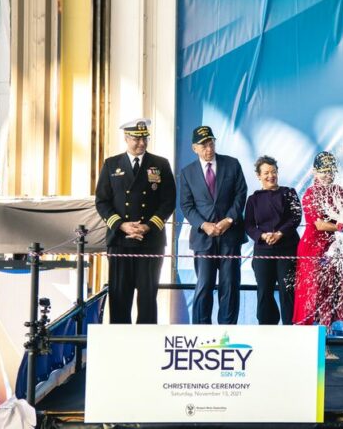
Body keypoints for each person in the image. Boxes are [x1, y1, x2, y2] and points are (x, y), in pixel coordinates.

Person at [95, 118, 176, 324]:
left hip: (150, 241)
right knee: (119, 296)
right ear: (126, 138)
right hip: (120, 241)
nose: (141, 143)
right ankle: (121, 340)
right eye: (137, 139)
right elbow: (102, 201)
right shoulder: (112, 164)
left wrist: (148, 226)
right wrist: (121, 225)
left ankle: (147, 339)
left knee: (148, 297)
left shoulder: (160, 164)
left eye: (145, 138)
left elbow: (168, 201)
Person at [180, 125, 247, 325]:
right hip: (203, 238)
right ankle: (202, 331)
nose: (209, 149)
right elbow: (186, 205)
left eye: (211, 143)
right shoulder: (187, 173)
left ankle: (227, 331)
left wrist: (229, 219)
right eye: (204, 145)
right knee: (204, 285)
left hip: (230, 236)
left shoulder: (232, 164)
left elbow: (241, 194)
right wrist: (204, 225)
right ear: (194, 148)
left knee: (230, 285)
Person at [292, 151, 343, 331]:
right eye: (324, 171)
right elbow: (319, 225)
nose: (328, 175)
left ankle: (325, 335)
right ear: (314, 171)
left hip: (332, 248)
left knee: (329, 290)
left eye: (331, 171)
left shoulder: (338, 191)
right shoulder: (310, 194)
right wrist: (341, 227)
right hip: (312, 249)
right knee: (312, 292)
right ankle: (305, 335)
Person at [244, 156, 302, 325]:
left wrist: (280, 233)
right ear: (258, 176)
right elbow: (249, 225)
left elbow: (296, 217)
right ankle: (267, 327)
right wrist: (262, 236)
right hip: (263, 249)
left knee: (287, 290)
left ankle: (290, 326)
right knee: (264, 290)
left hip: (287, 248)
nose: (271, 176)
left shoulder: (289, 193)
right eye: (266, 173)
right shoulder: (253, 199)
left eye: (274, 172)